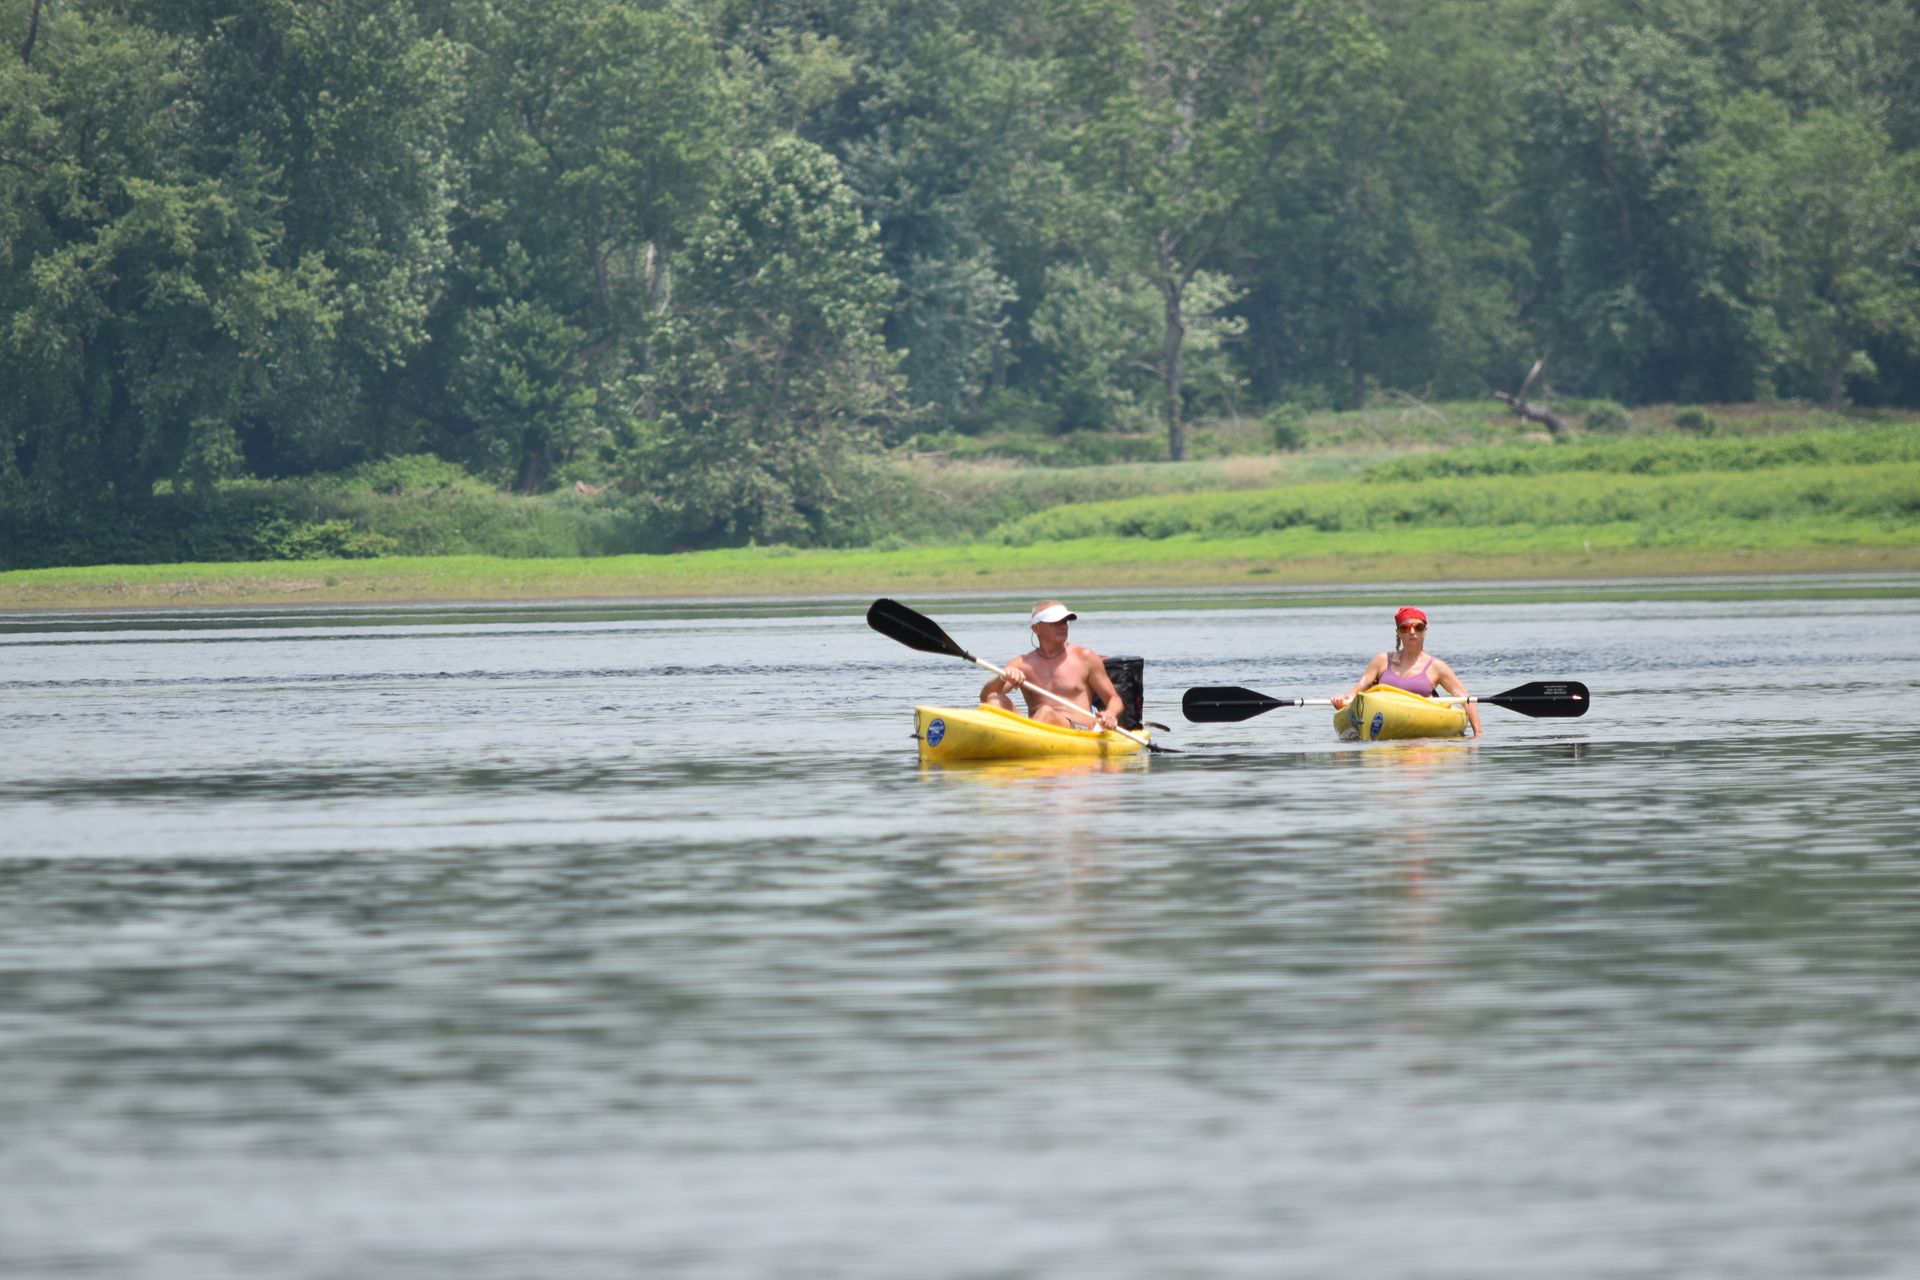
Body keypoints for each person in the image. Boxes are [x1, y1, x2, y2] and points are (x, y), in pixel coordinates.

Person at [1329, 605, 1484, 736]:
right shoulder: (1381, 661)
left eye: (1418, 627)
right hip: (1383, 719)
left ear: (1425, 631)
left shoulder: (1437, 667)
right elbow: (1356, 692)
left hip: (1423, 733)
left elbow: (1466, 699)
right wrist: (1343, 701)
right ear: (1398, 632)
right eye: (1405, 628)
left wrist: (1478, 734)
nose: (1412, 632)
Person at [979, 600, 1123, 730]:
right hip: (1038, 730)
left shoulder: (1085, 657)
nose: (1063, 626)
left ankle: (1026, 741)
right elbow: (985, 697)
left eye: (1065, 621)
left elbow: (1114, 699)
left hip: (1078, 730)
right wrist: (1002, 678)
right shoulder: (1022, 663)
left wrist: (1110, 713)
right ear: (1036, 628)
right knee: (994, 700)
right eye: (1055, 622)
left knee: (1045, 712)